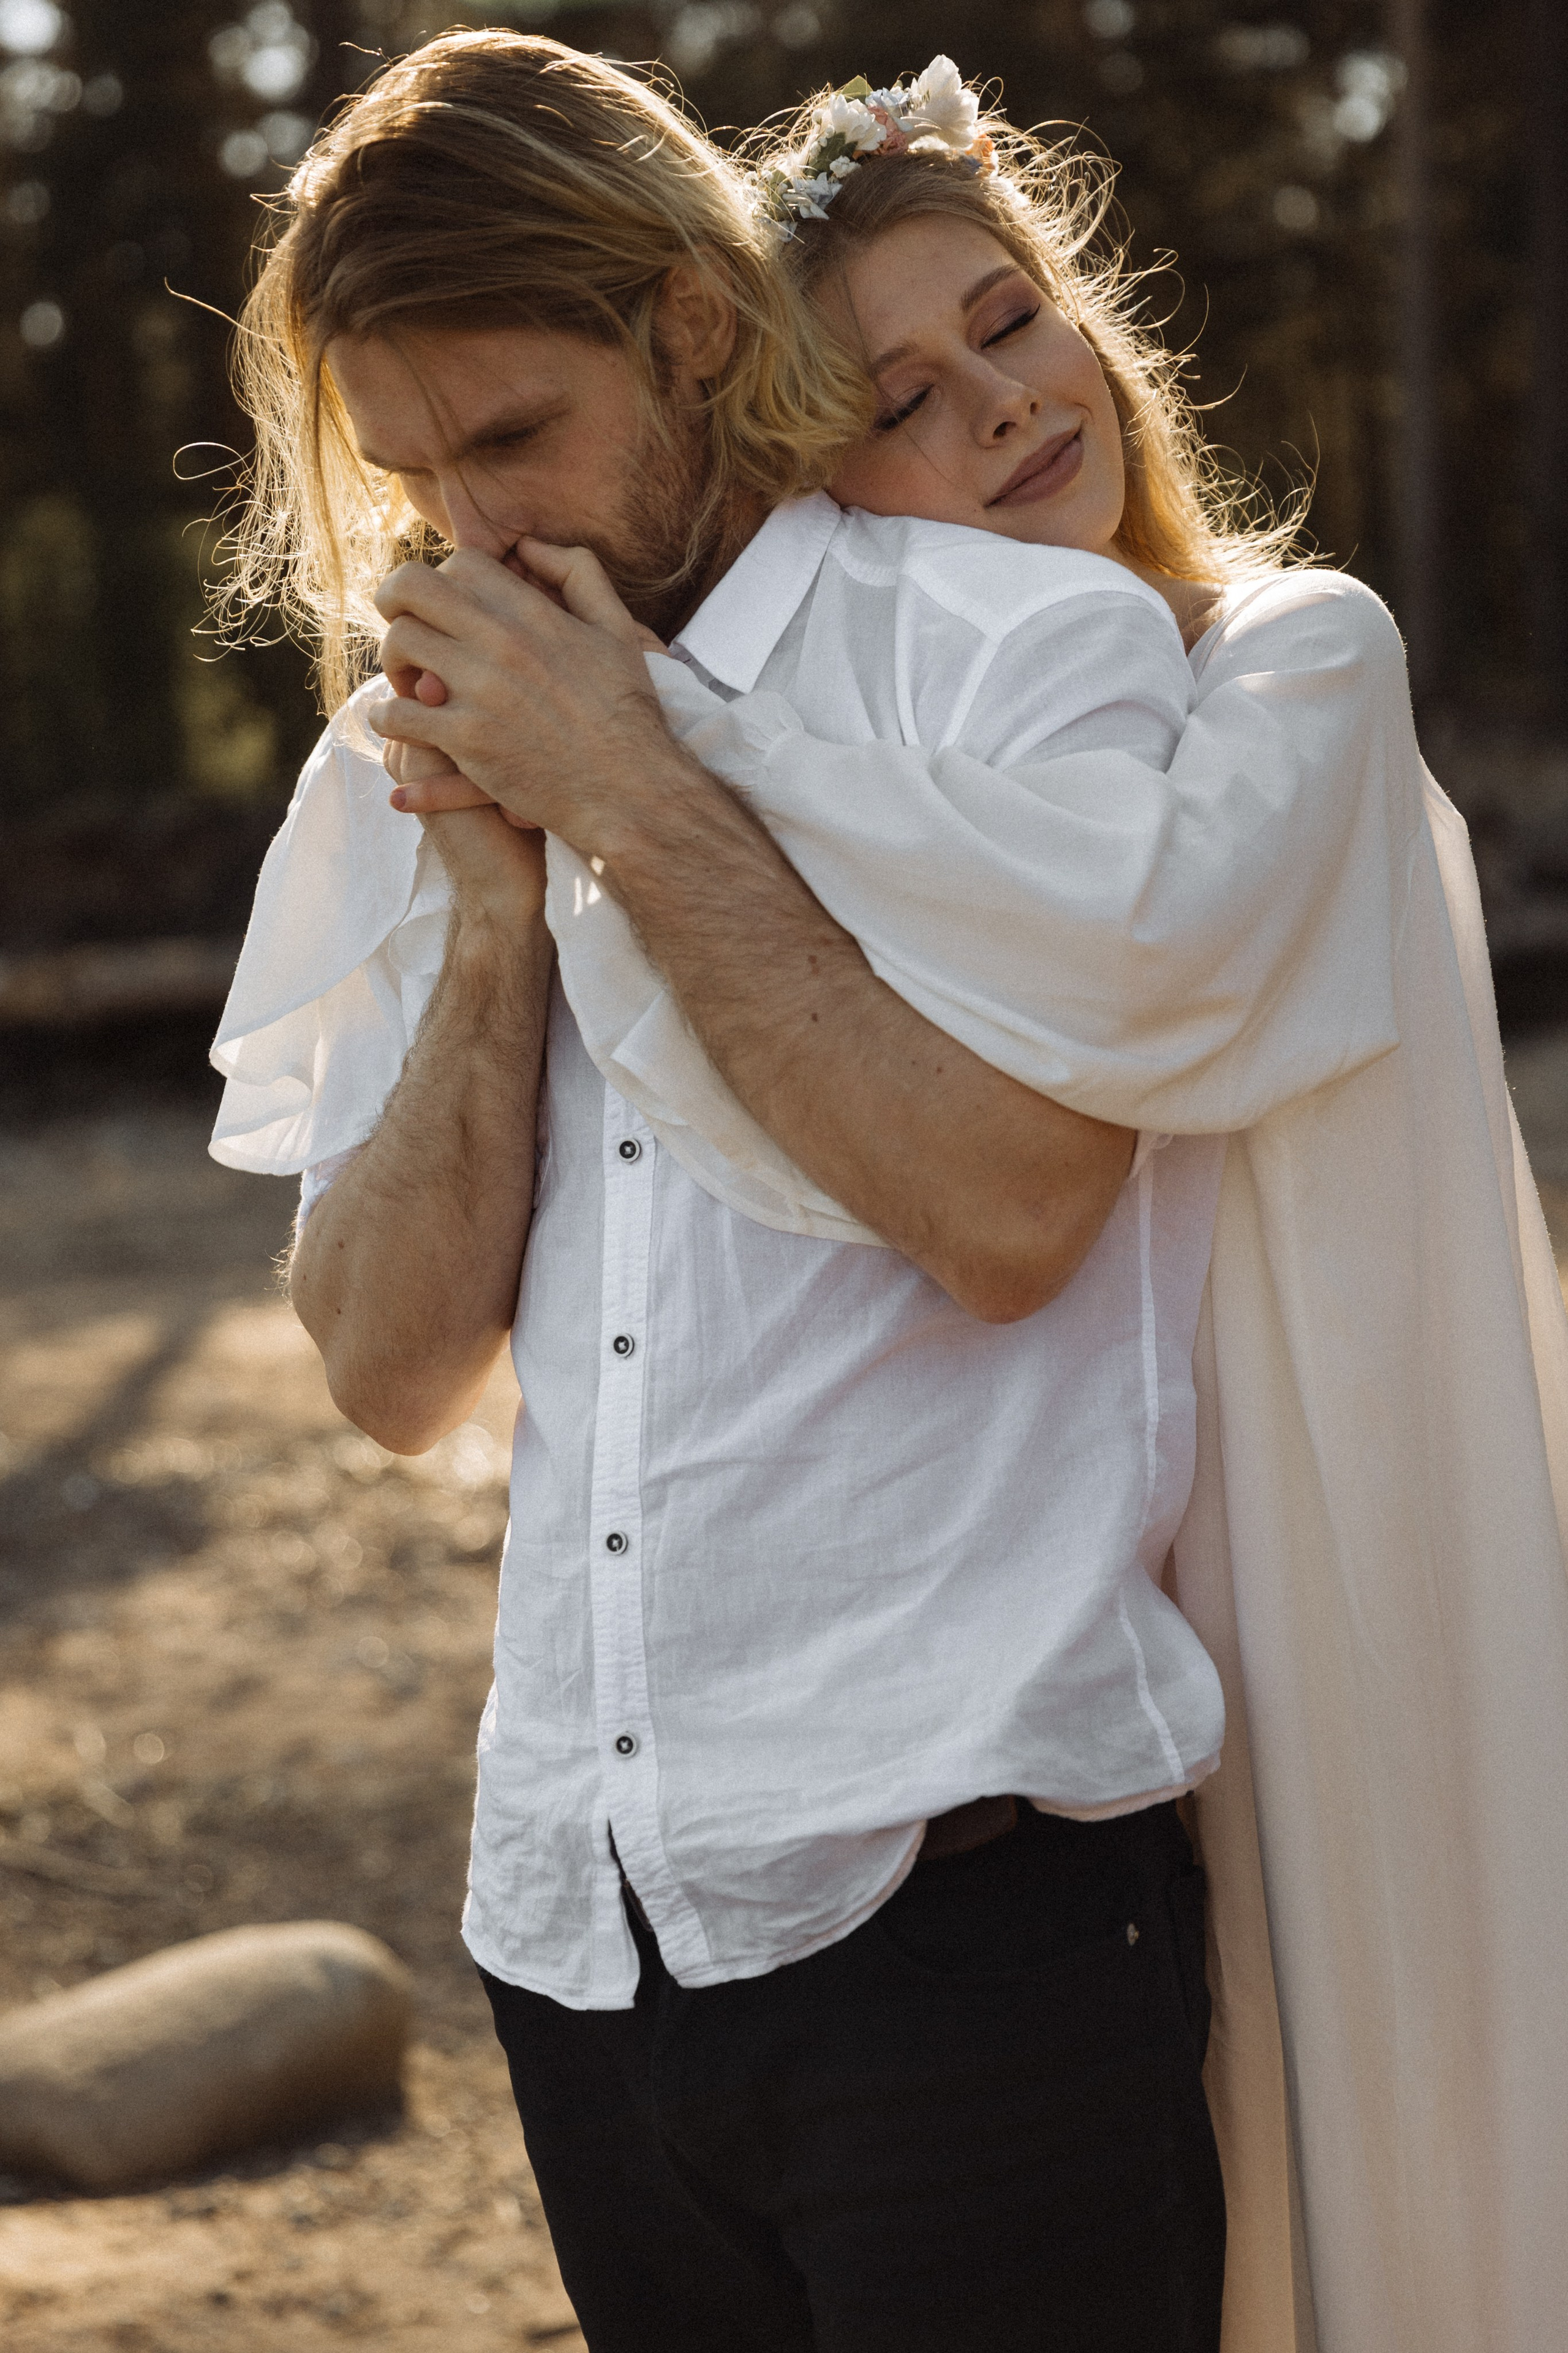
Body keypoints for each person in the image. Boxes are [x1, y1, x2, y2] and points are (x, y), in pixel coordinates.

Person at [208, 34, 1568, 2353]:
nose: (465, 533)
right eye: (411, 474)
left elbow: (1016, 1213)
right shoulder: (432, 728)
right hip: (581, 1933)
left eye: (515, 437)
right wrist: (503, 917)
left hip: (974, 1955)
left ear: (695, 332)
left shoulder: (1026, 655)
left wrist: (634, 794)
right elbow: (384, 1362)